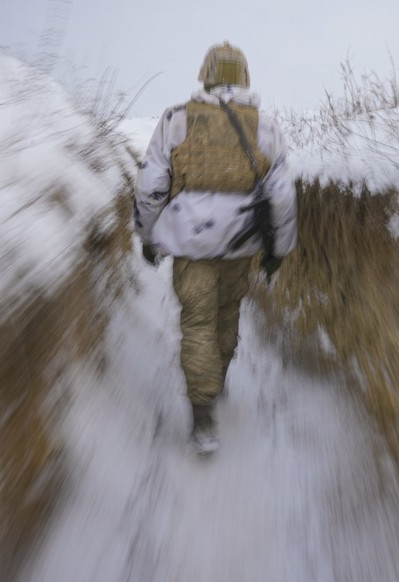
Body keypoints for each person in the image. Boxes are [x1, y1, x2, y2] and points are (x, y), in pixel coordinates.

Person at [133, 41, 297, 456]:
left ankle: (203, 416)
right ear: (245, 76)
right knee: (227, 314)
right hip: (241, 245)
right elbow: (281, 196)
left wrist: (149, 236)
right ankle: (217, 380)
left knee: (198, 323)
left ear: (205, 74)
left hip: (191, 245)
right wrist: (278, 248)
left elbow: (152, 186)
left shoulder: (176, 119)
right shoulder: (266, 126)